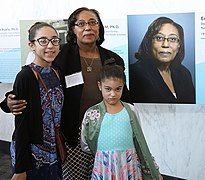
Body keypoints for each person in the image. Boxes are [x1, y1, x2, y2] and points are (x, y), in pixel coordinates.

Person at [1, 7, 131, 179]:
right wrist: (8, 102)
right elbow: (36, 83)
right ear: (72, 29)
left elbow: (124, 95)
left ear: (99, 28)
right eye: (81, 23)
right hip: (72, 135)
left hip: (105, 132)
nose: (88, 28)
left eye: (93, 22)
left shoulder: (112, 59)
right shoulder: (60, 55)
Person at [81, 65, 162, 179]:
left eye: (118, 89)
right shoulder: (92, 113)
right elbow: (85, 144)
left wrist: (153, 169)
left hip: (129, 164)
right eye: (108, 89)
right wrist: (104, 154)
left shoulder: (131, 110)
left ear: (123, 86)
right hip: (104, 167)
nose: (113, 94)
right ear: (100, 86)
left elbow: (139, 140)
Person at [10, 22, 63, 180]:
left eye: (54, 40)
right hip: (31, 154)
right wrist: (20, 168)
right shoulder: (26, 76)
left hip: (54, 150)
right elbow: (21, 124)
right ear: (31, 45)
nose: (50, 46)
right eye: (43, 41)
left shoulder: (56, 72)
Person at [130, 16, 195, 104]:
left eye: (172, 39)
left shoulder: (184, 73)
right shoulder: (135, 72)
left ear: (179, 45)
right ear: (150, 42)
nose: (165, 44)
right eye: (159, 38)